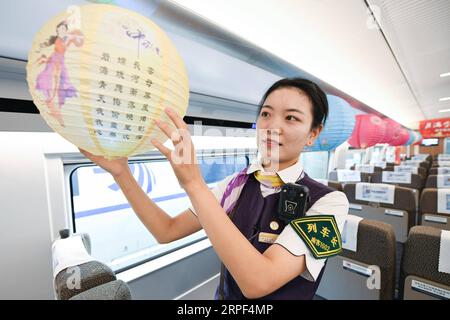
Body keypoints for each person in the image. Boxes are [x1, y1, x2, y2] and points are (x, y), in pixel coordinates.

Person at [79, 77, 349, 299]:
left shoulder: (330, 203)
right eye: (266, 114)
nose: (273, 126)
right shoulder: (236, 185)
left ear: (313, 134)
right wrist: (121, 173)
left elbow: (258, 282)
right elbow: (166, 230)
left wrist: (194, 184)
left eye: (291, 118)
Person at [36, 21, 84, 127]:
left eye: (63, 29)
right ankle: (50, 101)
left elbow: (79, 43)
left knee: (60, 84)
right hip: (53, 60)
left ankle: (55, 106)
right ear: (57, 30)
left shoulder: (68, 39)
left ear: (66, 30)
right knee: (51, 81)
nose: (61, 30)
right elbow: (44, 44)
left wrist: (76, 36)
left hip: (60, 62)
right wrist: (39, 48)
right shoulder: (55, 38)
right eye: (60, 28)